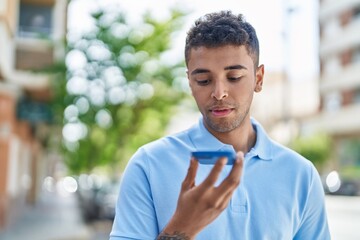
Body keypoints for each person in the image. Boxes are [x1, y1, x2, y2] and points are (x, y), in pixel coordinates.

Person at [109, 10, 330, 240]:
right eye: (203, 80)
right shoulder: (148, 166)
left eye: (234, 77)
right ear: (189, 83)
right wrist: (181, 229)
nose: (219, 93)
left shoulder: (301, 175)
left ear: (259, 78)